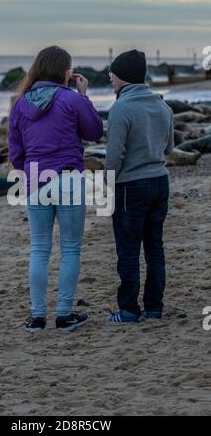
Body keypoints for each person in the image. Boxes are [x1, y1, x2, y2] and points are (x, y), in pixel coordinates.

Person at [9, 46, 103, 333]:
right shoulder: (72, 100)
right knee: (70, 249)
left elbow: (16, 153)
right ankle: (63, 315)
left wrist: (30, 174)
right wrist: (84, 95)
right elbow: (94, 132)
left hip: (37, 178)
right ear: (66, 72)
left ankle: (37, 317)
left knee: (39, 249)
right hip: (68, 178)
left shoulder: (20, 104)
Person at [104, 49, 174, 323]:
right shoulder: (163, 106)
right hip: (160, 182)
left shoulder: (121, 108)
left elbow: (114, 156)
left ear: (122, 76)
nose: (110, 78)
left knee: (128, 248)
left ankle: (129, 309)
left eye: (113, 73)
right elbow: (169, 148)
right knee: (154, 246)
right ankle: (154, 307)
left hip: (130, 186)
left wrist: (107, 187)